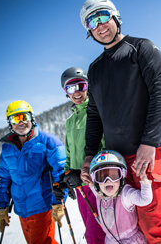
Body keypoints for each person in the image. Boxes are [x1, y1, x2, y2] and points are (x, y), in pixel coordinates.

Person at [79, 0, 161, 244]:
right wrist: (89, 154)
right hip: (118, 161)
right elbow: (94, 114)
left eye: (103, 17)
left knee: (158, 226)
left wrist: (149, 142)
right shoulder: (95, 69)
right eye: (92, 22)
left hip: (150, 152)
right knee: (137, 227)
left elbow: (160, 94)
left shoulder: (142, 48)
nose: (100, 26)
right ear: (89, 30)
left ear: (115, 17)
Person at [0, 100, 66, 244]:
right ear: (10, 123)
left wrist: (59, 202)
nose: (21, 123)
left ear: (32, 118)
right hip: (22, 210)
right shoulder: (7, 149)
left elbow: (59, 173)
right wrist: (1, 207)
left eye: (24, 117)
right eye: (15, 119)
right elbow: (4, 180)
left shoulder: (48, 142)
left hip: (42, 206)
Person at [52, 67, 106, 243]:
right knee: (92, 231)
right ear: (65, 93)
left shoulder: (96, 112)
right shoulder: (70, 121)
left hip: (98, 183)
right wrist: (66, 176)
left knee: (96, 234)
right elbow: (69, 154)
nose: (76, 92)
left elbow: (105, 146)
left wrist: (87, 172)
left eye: (80, 86)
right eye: (70, 88)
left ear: (87, 87)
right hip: (80, 186)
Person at [89, 150, 152, 244]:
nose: (108, 180)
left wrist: (144, 179)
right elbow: (92, 185)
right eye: (101, 177)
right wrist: (89, 181)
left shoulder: (125, 194)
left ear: (122, 175)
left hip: (131, 241)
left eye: (114, 175)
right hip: (111, 241)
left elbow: (145, 199)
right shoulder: (100, 195)